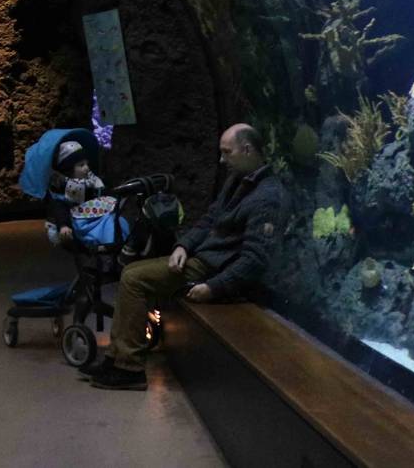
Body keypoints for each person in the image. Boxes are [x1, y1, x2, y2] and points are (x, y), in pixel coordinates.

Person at [82, 123, 286, 391]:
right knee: (134, 271)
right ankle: (117, 358)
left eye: (227, 153)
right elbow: (209, 219)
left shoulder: (267, 197)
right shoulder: (239, 180)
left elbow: (254, 260)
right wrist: (184, 247)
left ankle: (128, 368)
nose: (221, 160)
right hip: (202, 259)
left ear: (247, 150)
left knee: (133, 277)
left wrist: (214, 287)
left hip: (213, 270)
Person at [44, 138, 118, 248]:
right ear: (69, 169)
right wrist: (64, 225)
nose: (87, 168)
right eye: (81, 165)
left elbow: (103, 194)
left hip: (99, 215)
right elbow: (60, 209)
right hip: (82, 222)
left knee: (116, 222)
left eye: (87, 164)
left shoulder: (93, 181)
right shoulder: (63, 189)